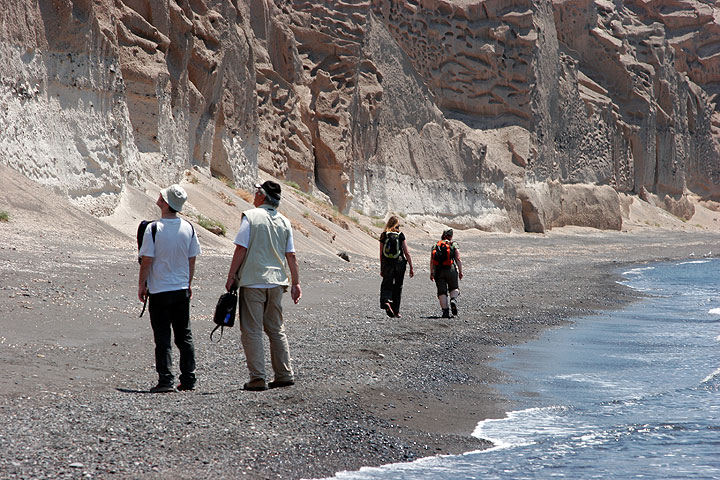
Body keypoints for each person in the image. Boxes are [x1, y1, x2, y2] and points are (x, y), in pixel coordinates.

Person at [225, 180, 302, 392]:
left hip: (253, 281)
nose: (254, 194)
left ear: (262, 195)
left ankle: (258, 377)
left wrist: (231, 276)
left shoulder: (250, 216)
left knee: (252, 330)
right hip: (277, 282)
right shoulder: (285, 222)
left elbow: (241, 249)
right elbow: (291, 255)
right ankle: (284, 374)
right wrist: (296, 283)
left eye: (257, 191)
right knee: (276, 329)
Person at [138, 184, 201, 393]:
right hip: (181, 289)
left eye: (161, 196)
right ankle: (188, 379)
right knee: (184, 336)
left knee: (163, 337)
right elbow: (191, 261)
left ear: (165, 203)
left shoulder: (153, 228)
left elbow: (147, 260)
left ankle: (166, 380)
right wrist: (189, 283)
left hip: (159, 291)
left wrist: (142, 284)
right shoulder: (189, 228)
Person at [379, 215, 414, 318]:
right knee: (398, 286)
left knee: (386, 284)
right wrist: (411, 267)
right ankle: (396, 311)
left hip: (387, 263)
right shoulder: (400, 234)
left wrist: (382, 267)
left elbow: (381, 253)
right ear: (397, 225)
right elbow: (407, 252)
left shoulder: (384, 235)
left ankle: (386, 301)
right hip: (399, 262)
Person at [429, 228, 463, 318]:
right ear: (451, 236)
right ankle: (453, 300)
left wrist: (431, 272)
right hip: (450, 269)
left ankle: (445, 312)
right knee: (454, 288)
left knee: (441, 292)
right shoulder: (453, 244)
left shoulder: (436, 245)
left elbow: (432, 261)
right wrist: (460, 271)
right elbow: (458, 259)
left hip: (438, 271)